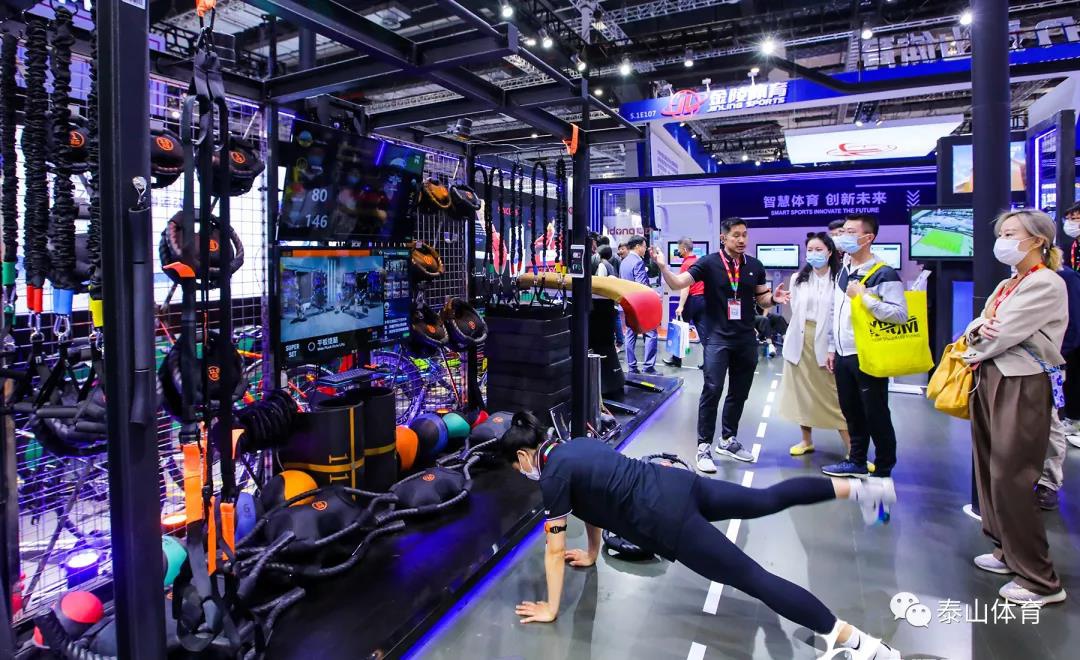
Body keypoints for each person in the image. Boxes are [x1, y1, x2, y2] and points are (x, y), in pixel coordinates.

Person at [501, 411, 901, 660]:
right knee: (767, 498)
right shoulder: (575, 446)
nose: (522, 475)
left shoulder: (553, 478)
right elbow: (593, 502)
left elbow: (553, 552)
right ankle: (863, 489)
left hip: (665, 519)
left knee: (754, 578)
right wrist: (591, 552)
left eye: (517, 469)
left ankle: (859, 644)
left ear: (523, 456)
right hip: (681, 485)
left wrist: (551, 608)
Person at [961, 209, 1067, 606]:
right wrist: (978, 330)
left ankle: (1040, 579)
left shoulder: (1046, 283)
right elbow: (978, 325)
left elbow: (999, 333)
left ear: (1037, 240)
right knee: (990, 468)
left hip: (1021, 382)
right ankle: (1007, 550)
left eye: (1011, 234)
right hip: (992, 377)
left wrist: (978, 334)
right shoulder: (1009, 283)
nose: (1003, 241)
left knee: (1012, 474)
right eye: (1001, 233)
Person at [652, 218, 790, 471]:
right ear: (723, 237)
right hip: (717, 338)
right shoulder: (708, 263)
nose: (741, 240)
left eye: (744, 235)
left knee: (739, 392)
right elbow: (677, 283)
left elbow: (763, 299)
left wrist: (774, 299)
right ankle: (703, 446)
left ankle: (728, 440)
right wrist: (663, 267)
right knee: (712, 389)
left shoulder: (755, 266)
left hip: (745, 338)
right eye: (736, 235)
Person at [821, 214, 906, 479]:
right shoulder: (844, 269)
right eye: (842, 231)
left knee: (875, 413)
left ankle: (883, 467)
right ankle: (856, 460)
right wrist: (832, 347)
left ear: (868, 238)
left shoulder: (884, 272)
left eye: (850, 232)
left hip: (868, 353)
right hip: (843, 353)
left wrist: (864, 298)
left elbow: (899, 314)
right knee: (851, 411)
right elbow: (836, 310)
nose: (842, 237)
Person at [778, 232, 852, 459]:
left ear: (830, 252)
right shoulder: (798, 278)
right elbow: (796, 311)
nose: (813, 254)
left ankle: (854, 451)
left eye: (819, 249)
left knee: (836, 397)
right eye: (810, 250)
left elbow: (839, 314)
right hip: (800, 340)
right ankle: (806, 440)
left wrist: (832, 346)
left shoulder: (840, 278)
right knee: (802, 394)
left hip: (829, 341)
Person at [1036, 258, 1080, 511]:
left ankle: (1048, 482)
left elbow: (1072, 327)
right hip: (1020, 365)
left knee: (1050, 422)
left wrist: (1055, 356)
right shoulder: (1015, 280)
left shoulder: (1064, 278)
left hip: (1051, 364)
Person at [663, 238, 706, 369]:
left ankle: (676, 360)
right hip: (703, 300)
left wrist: (680, 306)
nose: (678, 252)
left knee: (679, 330)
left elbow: (685, 287)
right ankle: (709, 362)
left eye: (679, 249)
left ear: (685, 249)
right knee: (704, 332)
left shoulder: (686, 264)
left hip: (691, 300)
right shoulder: (699, 261)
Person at [620, 236, 658, 374]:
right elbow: (641, 285)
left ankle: (632, 367)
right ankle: (648, 367)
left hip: (627, 303)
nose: (645, 249)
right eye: (644, 246)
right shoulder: (638, 262)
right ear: (637, 246)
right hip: (640, 305)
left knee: (630, 334)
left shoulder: (624, 261)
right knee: (651, 333)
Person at [1059, 202, 1080, 439]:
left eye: (1077, 218)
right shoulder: (1066, 249)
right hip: (1072, 312)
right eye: (1070, 218)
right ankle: (1073, 418)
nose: (1072, 223)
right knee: (1073, 371)